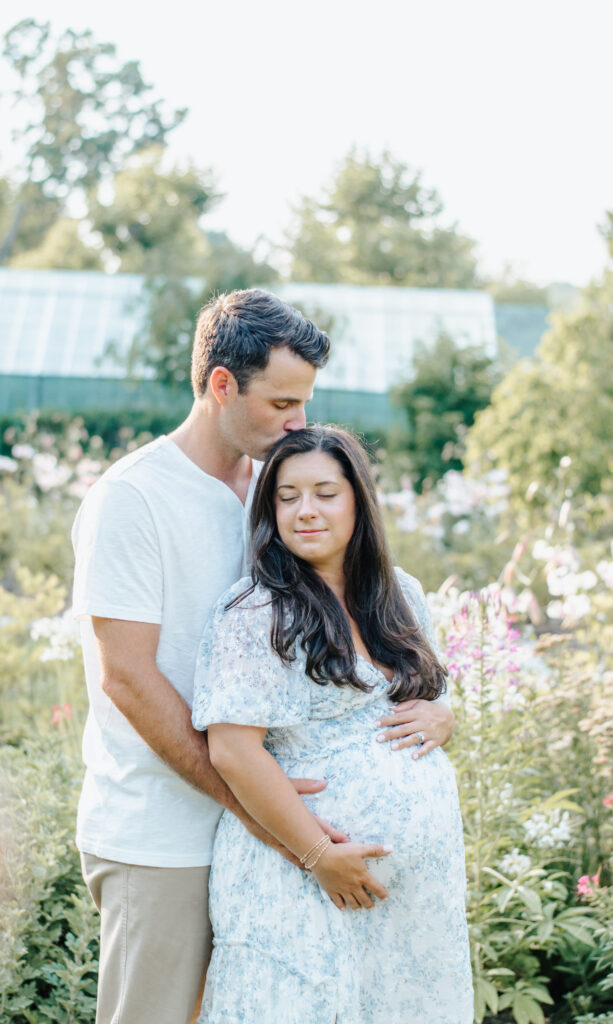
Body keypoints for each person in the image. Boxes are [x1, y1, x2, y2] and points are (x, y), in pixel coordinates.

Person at [72, 289, 455, 1024]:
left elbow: (347, 624)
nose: (298, 423)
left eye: (304, 403)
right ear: (221, 386)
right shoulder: (133, 497)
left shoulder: (270, 490)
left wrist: (435, 707)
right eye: (282, 403)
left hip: (264, 842)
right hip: (166, 834)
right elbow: (125, 676)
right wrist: (257, 809)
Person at [192, 425, 473, 1024]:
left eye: (325, 492)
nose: (305, 511)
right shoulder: (257, 612)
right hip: (299, 877)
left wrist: (444, 716)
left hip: (411, 910)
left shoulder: (401, 595)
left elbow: (425, 697)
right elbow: (234, 753)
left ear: (358, 500)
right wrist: (320, 854)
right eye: (287, 497)